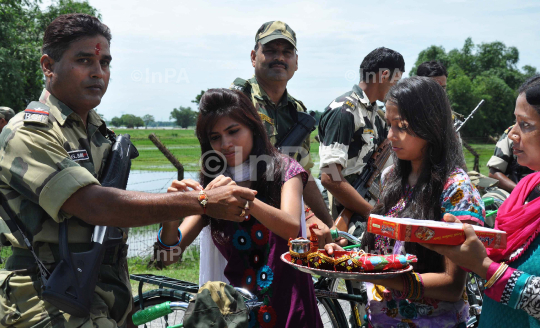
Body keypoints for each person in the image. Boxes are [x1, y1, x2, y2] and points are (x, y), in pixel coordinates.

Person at [0, 14, 256, 328]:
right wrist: (200, 201)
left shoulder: (100, 136)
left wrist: (173, 213)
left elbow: (162, 250)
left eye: (105, 63)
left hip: (106, 293)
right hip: (49, 296)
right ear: (48, 66)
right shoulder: (28, 134)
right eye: (84, 60)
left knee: (222, 305)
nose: (98, 73)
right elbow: (95, 205)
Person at [325, 76, 485, 328]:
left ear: (430, 125)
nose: (390, 136)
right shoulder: (391, 178)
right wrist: (346, 252)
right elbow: (385, 250)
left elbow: (453, 286)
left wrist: (373, 274)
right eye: (389, 125)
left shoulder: (456, 189)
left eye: (402, 126)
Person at [161, 88, 323, 328]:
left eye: (233, 131)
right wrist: (171, 213)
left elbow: (291, 227)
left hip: (288, 303)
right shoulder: (213, 186)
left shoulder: (284, 169)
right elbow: (167, 257)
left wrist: (244, 198)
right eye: (215, 137)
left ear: (254, 128)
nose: (225, 144)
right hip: (232, 313)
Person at [423, 75, 540, 328]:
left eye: (526, 125)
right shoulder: (525, 191)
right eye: (514, 122)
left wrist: (483, 265)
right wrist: (466, 242)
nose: (512, 135)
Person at [230, 21, 335, 245]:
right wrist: (307, 215)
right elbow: (224, 169)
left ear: (296, 62)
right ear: (253, 56)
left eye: (286, 52)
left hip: (283, 226)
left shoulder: (298, 112)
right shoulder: (237, 101)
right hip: (238, 218)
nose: (279, 57)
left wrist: (331, 227)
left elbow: (302, 176)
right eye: (270, 51)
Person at [318, 47, 404, 235]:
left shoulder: (377, 115)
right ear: (384, 75)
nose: (396, 89)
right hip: (342, 212)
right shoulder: (344, 111)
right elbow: (330, 177)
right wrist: (372, 214)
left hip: (366, 207)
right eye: (396, 82)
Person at [486, 125, 534, 193]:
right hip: (513, 192)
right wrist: (521, 192)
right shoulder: (512, 131)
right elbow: (494, 173)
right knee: (492, 201)